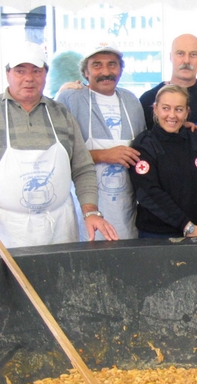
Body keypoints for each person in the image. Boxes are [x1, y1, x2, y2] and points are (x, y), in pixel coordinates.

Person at [0, 41, 117, 251]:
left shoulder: (61, 113)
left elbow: (82, 168)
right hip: (2, 229)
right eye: (20, 71)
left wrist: (91, 211)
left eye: (36, 71)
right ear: (8, 74)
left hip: (58, 228)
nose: (29, 78)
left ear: (45, 74)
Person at [139, 34, 197, 236]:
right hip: (165, 214)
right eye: (180, 54)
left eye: (193, 55)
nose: (186, 60)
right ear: (171, 57)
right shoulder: (148, 98)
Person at [56, 42, 146, 240]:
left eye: (112, 65)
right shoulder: (71, 99)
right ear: (85, 72)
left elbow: (146, 147)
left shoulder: (131, 101)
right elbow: (58, 156)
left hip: (125, 207)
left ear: (121, 69)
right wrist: (104, 155)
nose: (105, 72)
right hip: (87, 208)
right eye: (97, 65)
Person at [129, 84, 197, 238]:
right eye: (166, 108)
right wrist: (187, 226)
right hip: (157, 235)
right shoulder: (145, 144)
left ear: (187, 113)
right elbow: (149, 193)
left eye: (178, 109)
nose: (172, 115)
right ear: (155, 109)